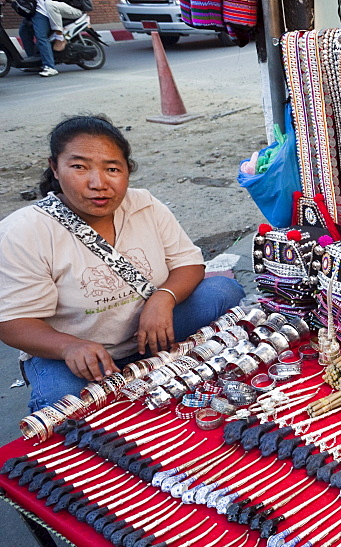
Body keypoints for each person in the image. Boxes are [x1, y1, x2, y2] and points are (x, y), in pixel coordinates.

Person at [0, 115, 245, 412]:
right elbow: (12, 322)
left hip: (153, 334)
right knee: (61, 403)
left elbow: (189, 264)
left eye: (112, 169)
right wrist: (69, 347)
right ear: (55, 167)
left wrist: (162, 299)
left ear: (127, 170)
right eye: (79, 167)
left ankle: (147, 365)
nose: (98, 183)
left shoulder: (144, 205)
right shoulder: (24, 231)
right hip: (80, 357)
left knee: (223, 290)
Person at [17, 0, 58, 76]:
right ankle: (34, 63)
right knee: (24, 32)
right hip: (31, 11)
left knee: (41, 37)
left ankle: (50, 66)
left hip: (41, 12)